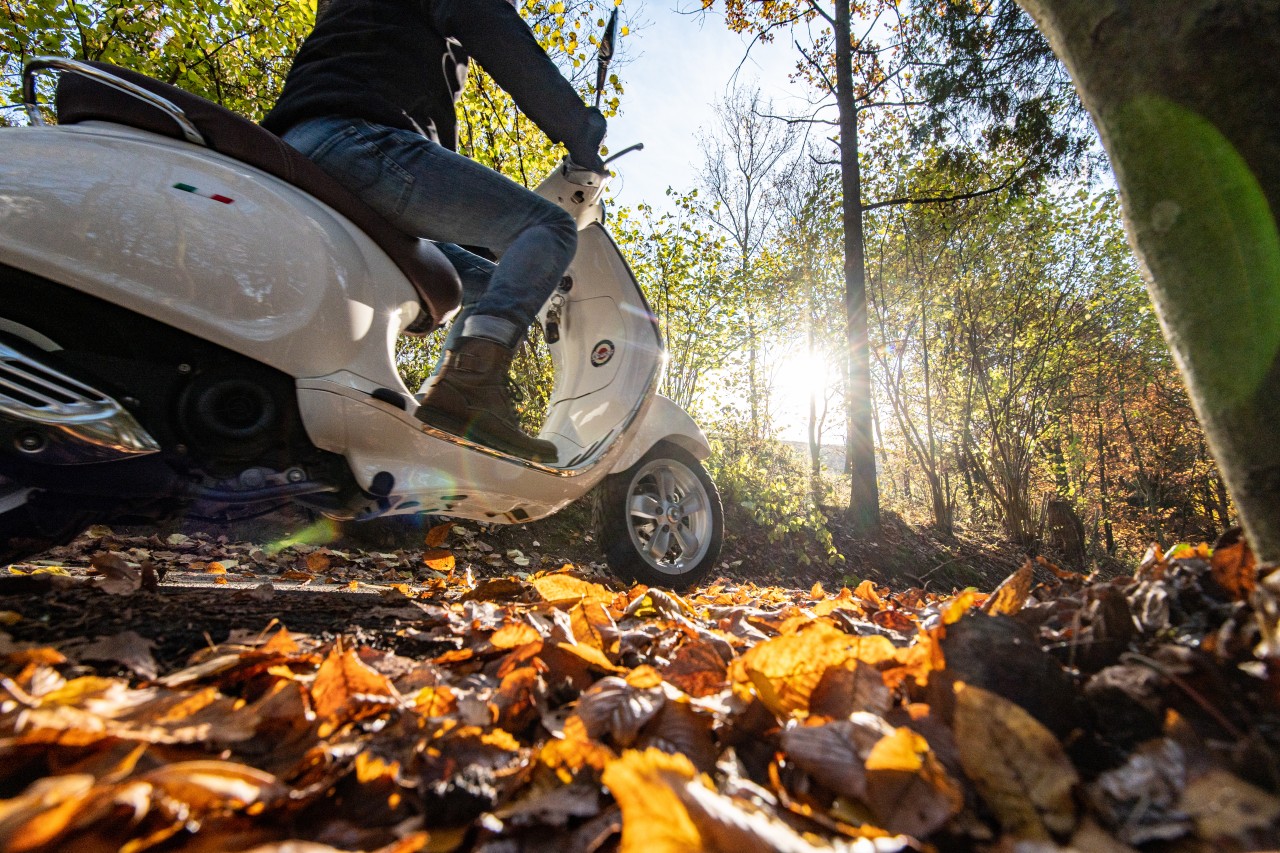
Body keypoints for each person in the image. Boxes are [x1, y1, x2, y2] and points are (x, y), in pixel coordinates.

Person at [262, 0, 608, 463]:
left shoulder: (362, 21)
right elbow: (491, 24)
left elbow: (429, 184)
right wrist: (579, 126)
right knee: (549, 227)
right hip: (355, 140)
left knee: (484, 284)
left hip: (302, 152)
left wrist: (483, 244)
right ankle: (470, 386)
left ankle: (446, 414)